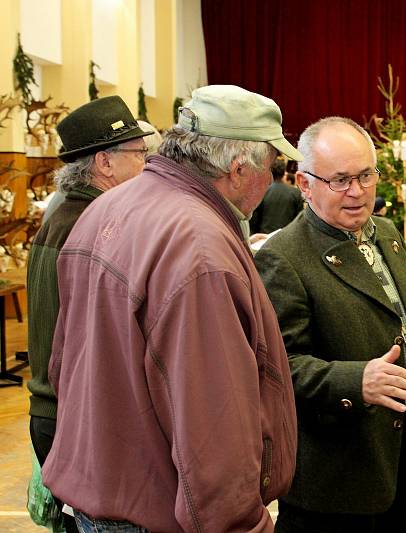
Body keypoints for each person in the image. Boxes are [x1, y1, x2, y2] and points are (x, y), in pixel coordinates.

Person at [43, 85, 299, 532]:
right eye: (272, 164)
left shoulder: (107, 207)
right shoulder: (199, 250)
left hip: (98, 491)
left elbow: (62, 361)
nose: (272, 177)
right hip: (154, 510)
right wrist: (241, 524)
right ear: (239, 169)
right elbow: (213, 423)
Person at [256, 116, 406, 533]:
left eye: (365, 175)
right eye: (340, 180)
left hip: (396, 465)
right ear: (305, 185)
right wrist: (353, 380)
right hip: (335, 485)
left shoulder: (386, 233)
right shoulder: (283, 257)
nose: (358, 192)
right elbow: (276, 366)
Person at [27, 95, 153, 533]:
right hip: (74, 413)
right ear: (104, 163)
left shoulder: (65, 210)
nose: (147, 163)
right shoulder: (95, 222)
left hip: (52, 408)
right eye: (139, 154)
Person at [249, 157, 305, 234]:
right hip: (287, 237)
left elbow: (254, 220)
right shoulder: (295, 193)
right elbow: (300, 220)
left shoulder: (261, 191)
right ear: (284, 173)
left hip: (263, 238)